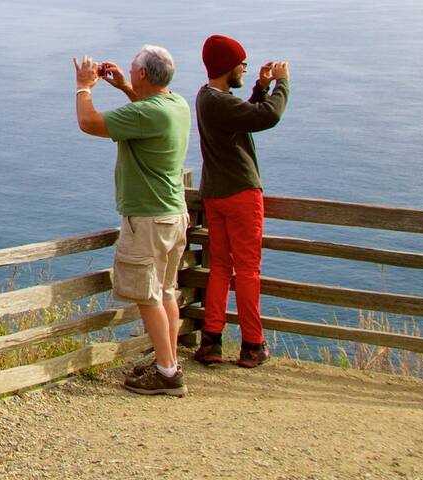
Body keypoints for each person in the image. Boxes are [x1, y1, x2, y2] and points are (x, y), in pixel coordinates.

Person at [73, 45, 192, 397]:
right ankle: (167, 360)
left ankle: (167, 373)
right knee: (166, 291)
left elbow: (88, 122)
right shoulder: (177, 105)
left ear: (143, 74)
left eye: (132, 71)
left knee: (147, 295)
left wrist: (84, 86)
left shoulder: (148, 114)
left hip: (148, 220)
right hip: (173, 216)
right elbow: (145, 110)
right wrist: (126, 88)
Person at [191, 35, 289, 369]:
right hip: (242, 195)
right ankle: (251, 344)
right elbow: (267, 117)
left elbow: (242, 114)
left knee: (220, 267)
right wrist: (282, 85)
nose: (244, 68)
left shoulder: (208, 98)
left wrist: (260, 88)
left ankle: (212, 341)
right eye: (241, 63)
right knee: (247, 270)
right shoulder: (220, 102)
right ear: (225, 67)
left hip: (215, 194)